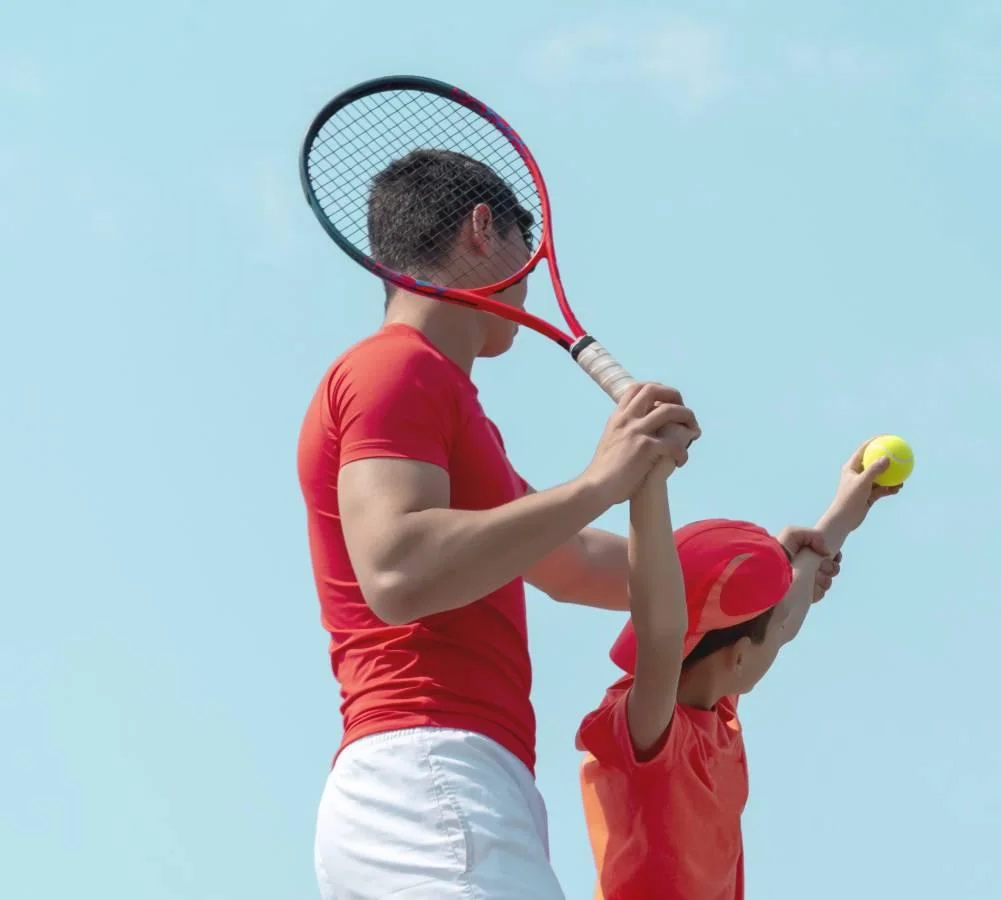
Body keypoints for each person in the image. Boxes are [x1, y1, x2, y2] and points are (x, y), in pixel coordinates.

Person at [297, 149, 842, 899]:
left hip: (443, 782)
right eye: (528, 237)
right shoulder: (396, 369)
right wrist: (598, 481)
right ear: (484, 228)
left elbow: (576, 561)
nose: (530, 269)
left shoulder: (446, 402)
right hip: (430, 771)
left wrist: (749, 577)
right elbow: (398, 571)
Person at [575, 443, 899, 900]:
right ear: (740, 654)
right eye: (776, 624)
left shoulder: (713, 691)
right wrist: (649, 481)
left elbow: (777, 619)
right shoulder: (649, 727)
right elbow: (663, 633)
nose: (785, 630)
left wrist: (848, 506)